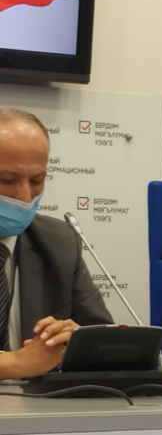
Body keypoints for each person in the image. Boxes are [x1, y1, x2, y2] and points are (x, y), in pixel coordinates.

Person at [0, 108, 113, 380]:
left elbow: (106, 346)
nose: (25, 196)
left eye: (37, 180)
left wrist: (77, 343)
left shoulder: (59, 242)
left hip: (36, 405)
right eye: (7, 180)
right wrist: (13, 364)